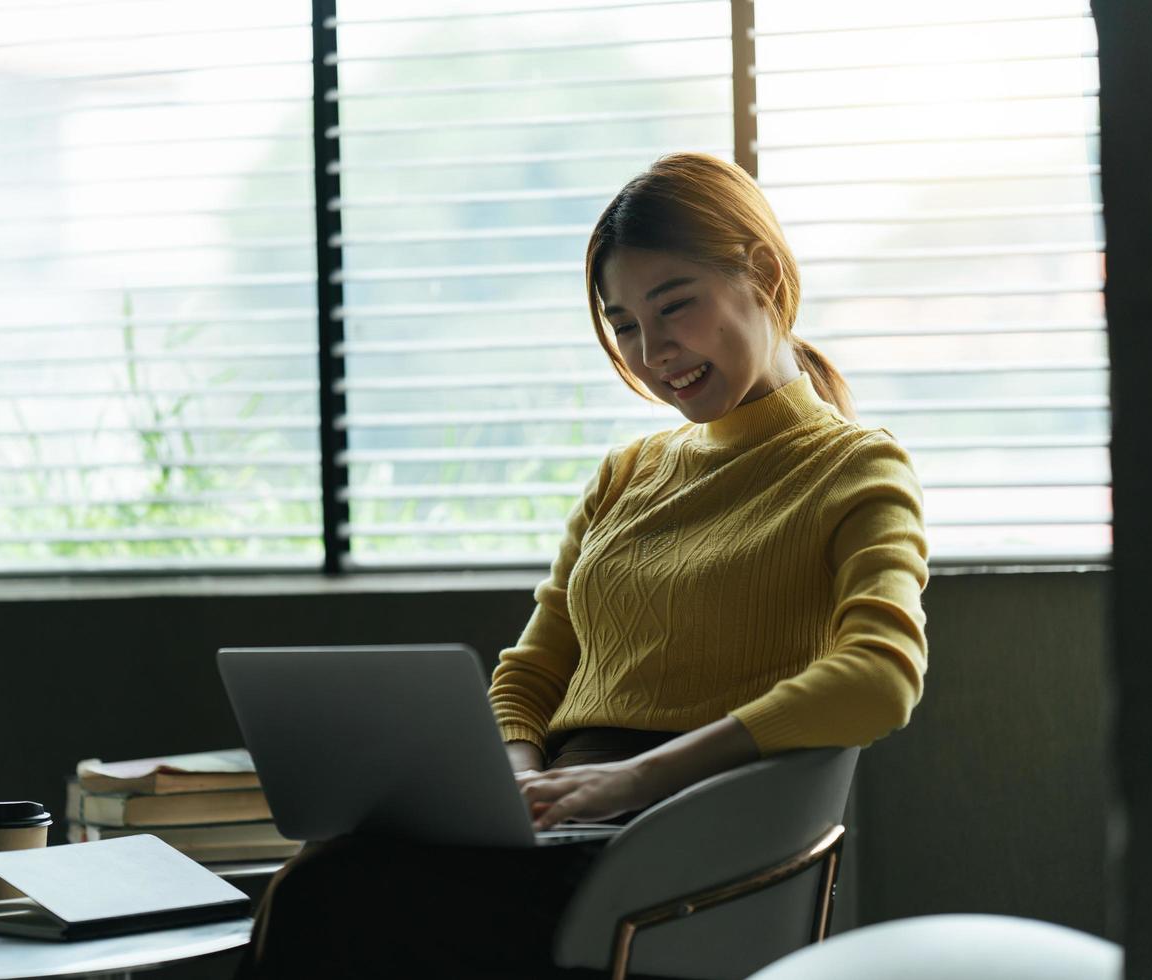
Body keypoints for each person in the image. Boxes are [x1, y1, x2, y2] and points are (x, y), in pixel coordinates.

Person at [233, 152, 929, 980]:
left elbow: (880, 676)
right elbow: (530, 672)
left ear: (764, 275)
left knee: (339, 895)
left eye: (676, 306)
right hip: (568, 819)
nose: (653, 351)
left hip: (680, 838)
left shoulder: (855, 467)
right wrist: (517, 785)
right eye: (625, 325)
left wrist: (632, 779)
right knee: (330, 871)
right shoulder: (628, 474)